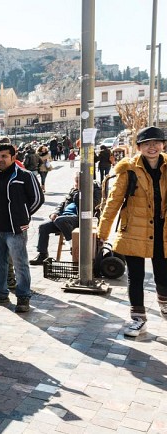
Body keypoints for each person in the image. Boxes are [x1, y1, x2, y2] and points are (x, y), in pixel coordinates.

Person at [98, 126, 167, 338]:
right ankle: (138, 319)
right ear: (138, 147)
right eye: (147, 144)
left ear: (163, 145)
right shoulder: (128, 169)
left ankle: (164, 306)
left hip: (163, 231)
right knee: (135, 277)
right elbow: (113, 201)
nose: (152, 147)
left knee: (163, 276)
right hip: (133, 230)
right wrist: (103, 231)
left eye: (156, 143)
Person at [0, 140, 44, 313]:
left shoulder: (24, 176)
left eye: (4, 156)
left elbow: (38, 199)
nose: (0, 159)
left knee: (20, 264)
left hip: (15, 230)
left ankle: (23, 297)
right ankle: (0, 293)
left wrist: (23, 216)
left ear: (13, 157)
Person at [29, 173, 100, 265]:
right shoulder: (73, 190)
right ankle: (42, 255)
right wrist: (55, 213)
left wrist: (80, 194)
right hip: (63, 218)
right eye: (76, 181)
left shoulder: (94, 189)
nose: (76, 184)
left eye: (79, 181)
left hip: (80, 218)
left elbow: (94, 204)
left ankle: (72, 245)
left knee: (60, 220)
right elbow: (62, 204)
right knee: (43, 226)